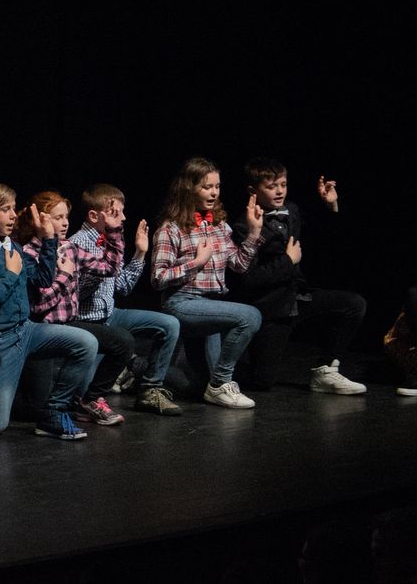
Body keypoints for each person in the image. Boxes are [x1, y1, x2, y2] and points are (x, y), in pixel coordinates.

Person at [0, 180, 97, 439]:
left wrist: (48, 239)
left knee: (86, 343)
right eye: (4, 209)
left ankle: (53, 412)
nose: (12, 215)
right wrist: (10, 273)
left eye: (13, 208)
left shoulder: (12, 246)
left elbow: (42, 279)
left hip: (26, 330)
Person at [230, 160, 367, 394]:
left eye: (283, 184)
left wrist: (330, 205)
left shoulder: (291, 210)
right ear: (253, 191)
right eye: (271, 186)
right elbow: (249, 279)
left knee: (353, 304)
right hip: (272, 308)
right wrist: (288, 260)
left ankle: (326, 370)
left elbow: (326, 238)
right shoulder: (243, 226)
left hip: (298, 298)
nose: (279, 191)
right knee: (263, 381)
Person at [150, 156, 263, 409]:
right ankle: (221, 383)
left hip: (210, 306)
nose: (214, 193)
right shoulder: (171, 229)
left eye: (217, 186)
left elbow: (239, 265)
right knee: (250, 316)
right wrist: (197, 262)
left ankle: (133, 366)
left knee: (195, 386)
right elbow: (158, 279)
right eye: (207, 187)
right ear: (189, 188)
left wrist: (254, 232)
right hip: (181, 304)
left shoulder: (218, 226)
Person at [69, 183, 183, 416]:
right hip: (86, 322)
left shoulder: (112, 241)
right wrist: (102, 268)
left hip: (111, 315)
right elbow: (74, 295)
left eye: (122, 212)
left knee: (169, 324)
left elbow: (123, 287)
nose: (123, 218)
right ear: (94, 216)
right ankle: (121, 369)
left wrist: (140, 253)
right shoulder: (76, 244)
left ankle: (150, 390)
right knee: (81, 392)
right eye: (115, 213)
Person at [20, 190, 125, 426]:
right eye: (58, 218)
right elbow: (38, 306)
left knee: (122, 342)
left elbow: (109, 268)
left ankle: (90, 399)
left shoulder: (69, 248)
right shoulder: (28, 253)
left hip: (70, 324)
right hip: (43, 329)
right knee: (33, 408)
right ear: (41, 220)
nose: (66, 222)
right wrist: (65, 276)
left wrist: (113, 231)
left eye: (66, 216)